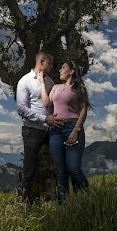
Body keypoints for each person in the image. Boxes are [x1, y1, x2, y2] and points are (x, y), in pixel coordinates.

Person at [16, 51, 64, 204]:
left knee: (57, 164)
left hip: (51, 130)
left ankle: (58, 200)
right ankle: (25, 204)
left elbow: (52, 104)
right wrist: (45, 119)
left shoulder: (49, 82)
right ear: (41, 61)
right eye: (49, 63)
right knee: (29, 170)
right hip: (32, 131)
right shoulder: (25, 81)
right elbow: (21, 109)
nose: (51, 67)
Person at [39, 59, 89, 204]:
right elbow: (47, 103)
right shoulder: (55, 87)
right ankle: (64, 208)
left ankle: (88, 198)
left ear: (72, 71)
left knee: (73, 169)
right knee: (61, 171)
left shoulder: (79, 88)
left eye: (63, 68)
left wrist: (75, 130)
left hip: (72, 128)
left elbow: (83, 111)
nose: (60, 70)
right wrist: (42, 84)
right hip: (55, 130)